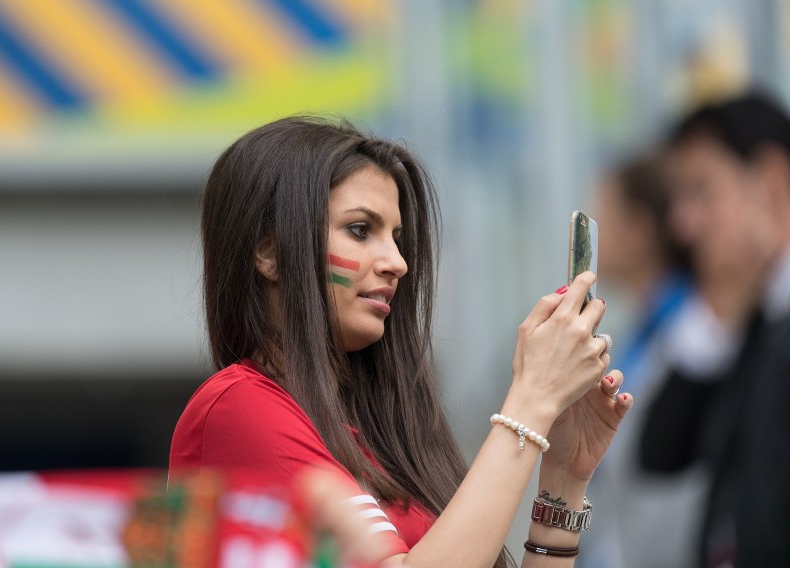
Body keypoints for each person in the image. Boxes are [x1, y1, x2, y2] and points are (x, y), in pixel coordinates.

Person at [169, 116, 632, 567]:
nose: (397, 262)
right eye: (359, 230)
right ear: (268, 252)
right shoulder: (238, 408)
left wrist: (565, 479)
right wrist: (531, 400)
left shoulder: (379, 429)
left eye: (396, 238)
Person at [641, 91, 790, 567]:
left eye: (701, 191)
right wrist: (719, 312)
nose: (684, 225)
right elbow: (662, 450)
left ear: (771, 182)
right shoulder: (752, 316)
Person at [578, 154, 702, 568]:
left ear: (639, 228)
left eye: (605, 219)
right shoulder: (644, 329)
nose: (595, 244)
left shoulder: (695, 331)